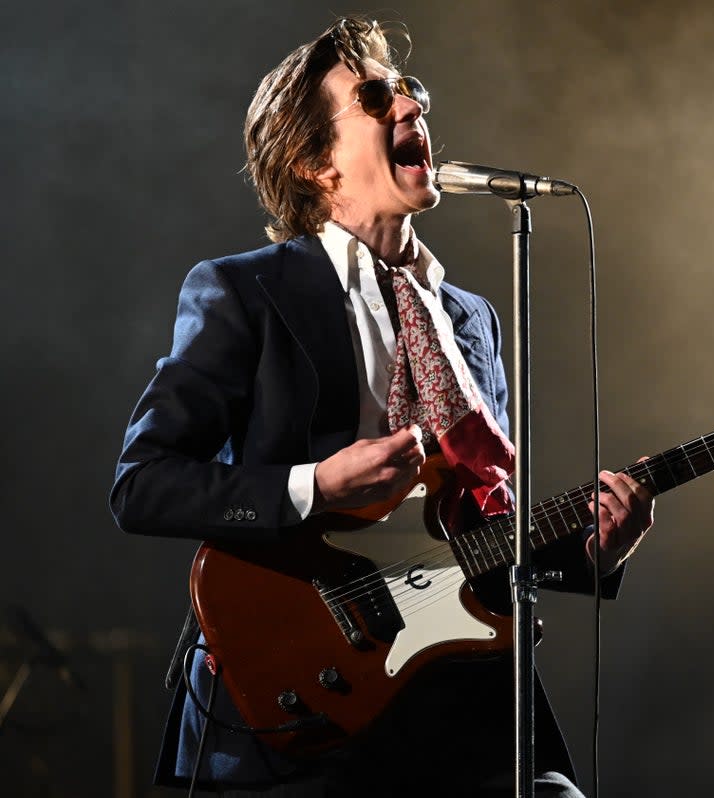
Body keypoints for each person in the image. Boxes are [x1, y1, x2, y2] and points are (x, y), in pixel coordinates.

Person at [110, 17, 654, 797]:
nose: (409, 108)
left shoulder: (470, 319)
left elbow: (473, 540)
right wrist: (317, 488)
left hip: (456, 688)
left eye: (411, 91)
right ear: (313, 163)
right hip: (304, 699)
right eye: (375, 97)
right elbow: (142, 484)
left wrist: (591, 555)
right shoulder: (245, 293)